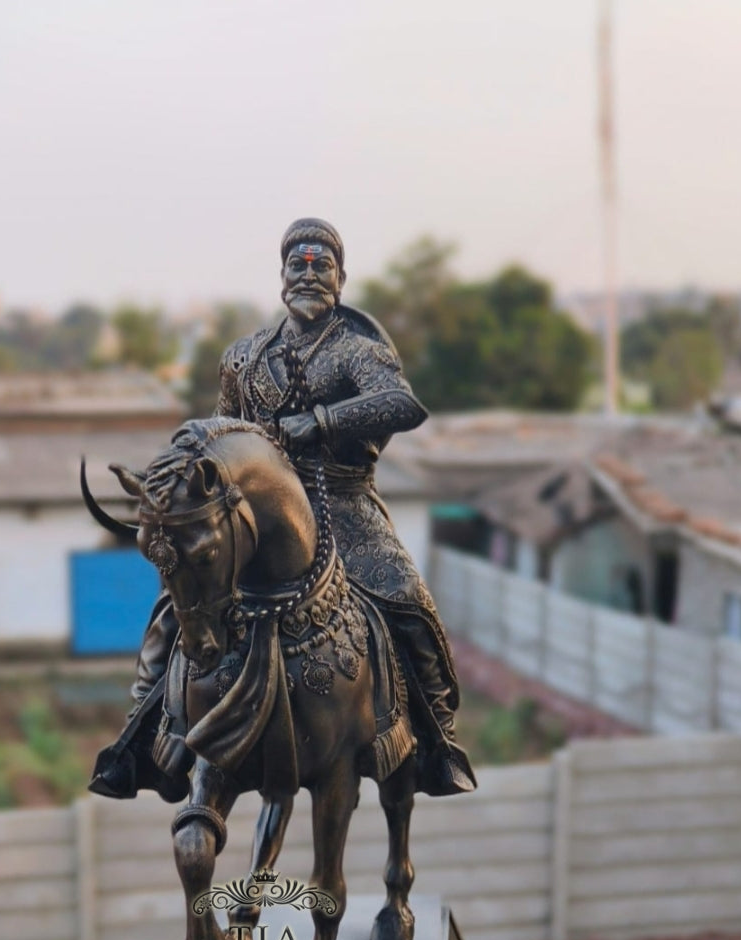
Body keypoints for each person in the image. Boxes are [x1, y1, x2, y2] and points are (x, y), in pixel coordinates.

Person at [90, 217, 474, 801]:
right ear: (282, 276)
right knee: (176, 602)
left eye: (323, 267)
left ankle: (435, 742)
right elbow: (221, 430)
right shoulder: (244, 358)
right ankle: (144, 740)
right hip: (259, 510)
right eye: (299, 265)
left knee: (408, 600)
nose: (310, 276)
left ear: (341, 280)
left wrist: (321, 422)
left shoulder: (356, 352)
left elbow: (403, 404)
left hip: (344, 502)